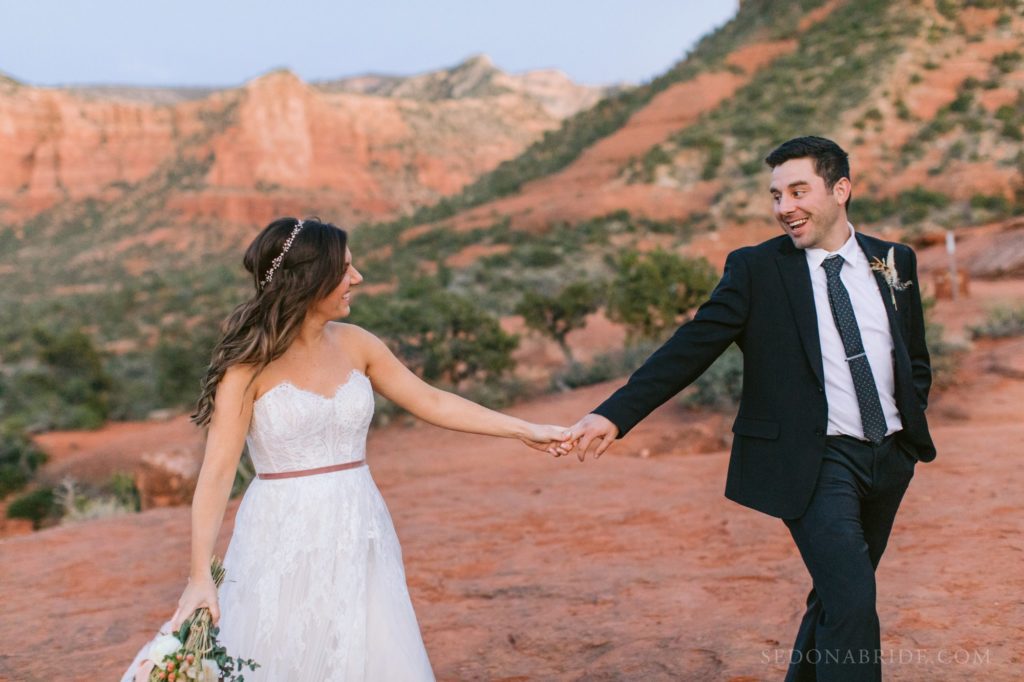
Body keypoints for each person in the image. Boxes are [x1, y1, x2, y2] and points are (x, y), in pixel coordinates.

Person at [122, 217, 572, 681]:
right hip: (281, 534)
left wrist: (524, 430)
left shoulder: (359, 345)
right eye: (345, 269)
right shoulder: (247, 369)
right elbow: (216, 475)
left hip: (360, 525)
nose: (357, 279)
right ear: (309, 279)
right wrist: (200, 577)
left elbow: (433, 401)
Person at [560, 136, 934, 681]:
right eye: (776, 195)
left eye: (799, 191)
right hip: (814, 462)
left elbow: (913, 354)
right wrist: (614, 415)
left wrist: (908, 426)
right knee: (853, 601)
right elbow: (690, 347)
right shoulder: (757, 269)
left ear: (841, 189)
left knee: (836, 596)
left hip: (889, 456)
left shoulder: (893, 260)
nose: (785, 207)